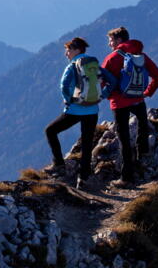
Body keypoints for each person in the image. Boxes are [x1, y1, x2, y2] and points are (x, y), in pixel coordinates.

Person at [44, 37, 116, 187]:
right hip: (92, 110)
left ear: (77, 50)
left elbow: (63, 86)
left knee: (50, 131)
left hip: (75, 110)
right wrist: (102, 95)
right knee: (87, 143)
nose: (66, 53)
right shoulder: (94, 65)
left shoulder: (73, 66)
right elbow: (112, 81)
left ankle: (59, 164)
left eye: (68, 50)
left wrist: (68, 100)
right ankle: (83, 178)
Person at [102, 27, 158, 187]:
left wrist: (105, 95)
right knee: (143, 126)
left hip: (119, 102)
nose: (109, 44)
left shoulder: (111, 58)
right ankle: (143, 156)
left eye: (110, 41)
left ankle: (126, 177)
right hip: (137, 99)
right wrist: (146, 93)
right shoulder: (140, 56)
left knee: (123, 139)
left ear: (118, 40)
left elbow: (101, 81)